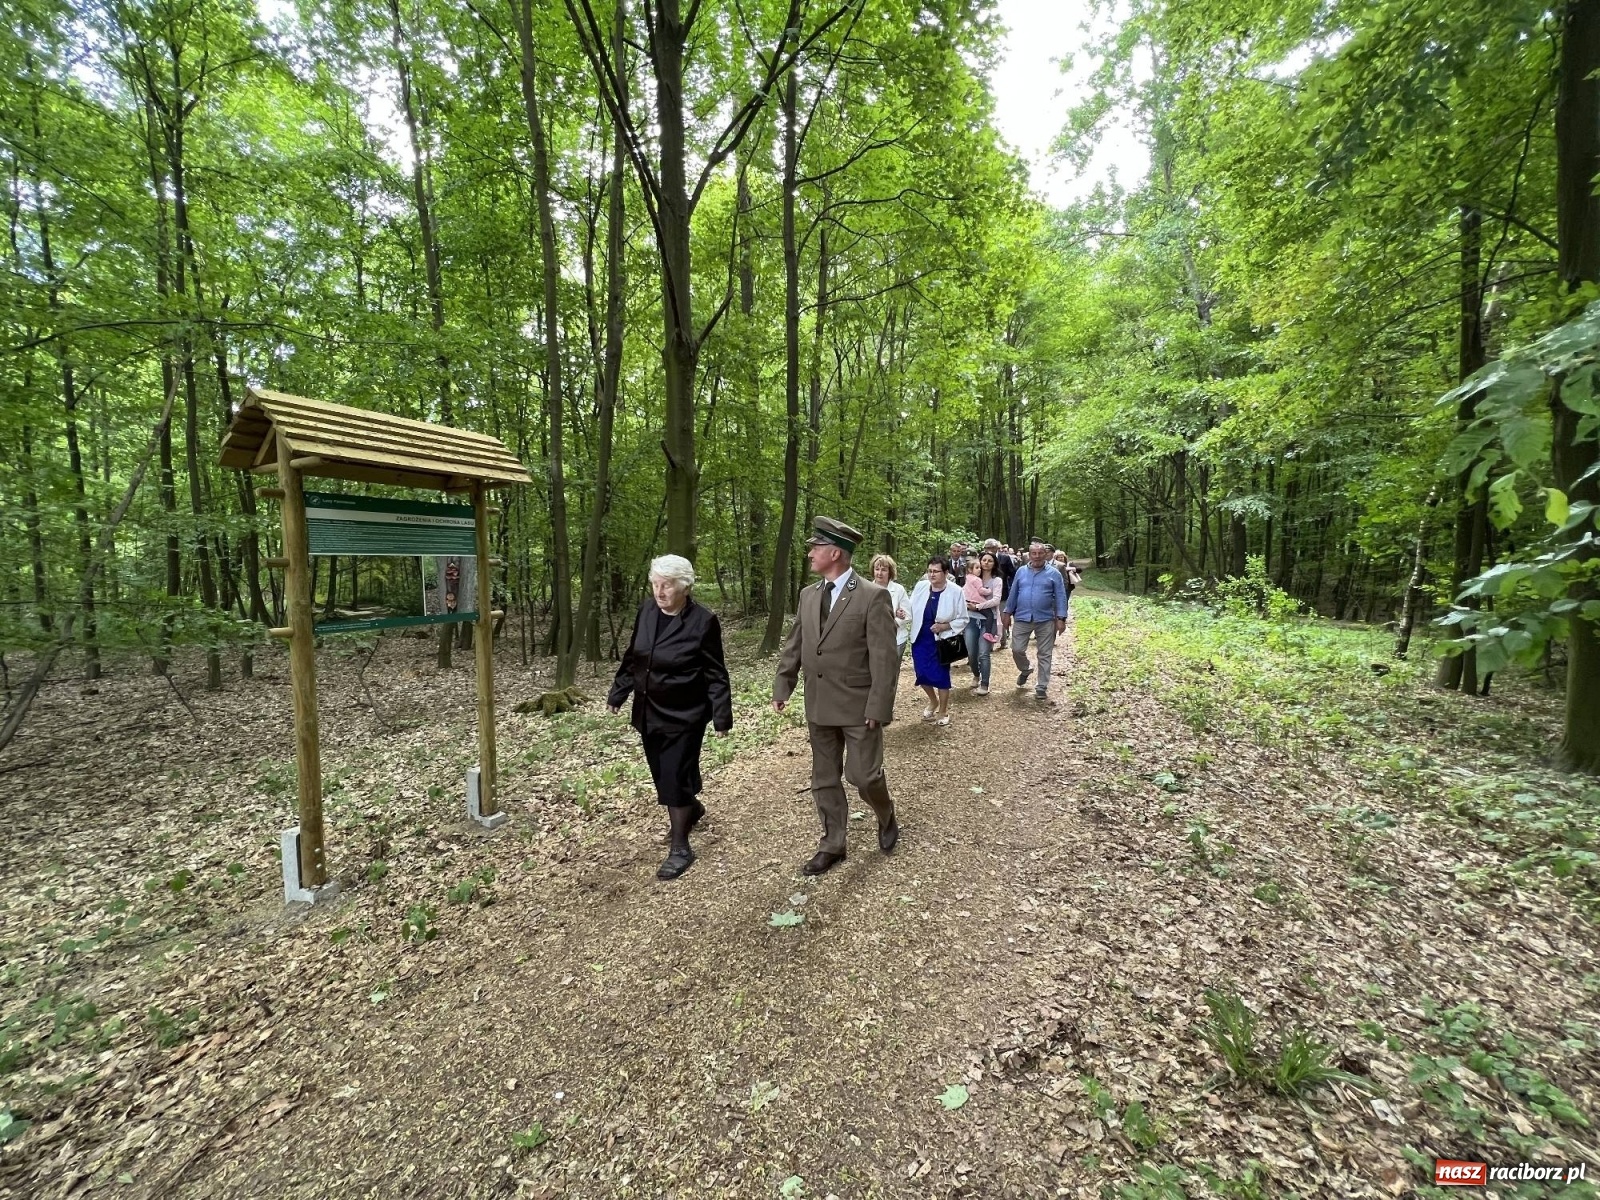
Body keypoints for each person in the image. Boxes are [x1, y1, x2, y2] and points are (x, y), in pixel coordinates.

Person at [774, 517, 901, 876]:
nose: (810, 553)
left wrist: (878, 705)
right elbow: (795, 643)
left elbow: (884, 658)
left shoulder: (872, 596)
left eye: (815, 547)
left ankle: (885, 812)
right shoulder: (808, 595)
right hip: (819, 704)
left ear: (834, 552)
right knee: (824, 778)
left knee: (863, 776)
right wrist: (784, 684)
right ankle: (833, 843)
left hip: (859, 707)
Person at [607, 554, 733, 880]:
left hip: (685, 714)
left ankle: (680, 846)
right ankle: (691, 807)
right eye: (654, 584)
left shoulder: (703, 621)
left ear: (684, 587)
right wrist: (618, 693)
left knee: (674, 775)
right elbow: (634, 656)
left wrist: (721, 716)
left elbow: (716, 673)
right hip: (649, 710)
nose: (658, 591)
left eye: (666, 586)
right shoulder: (647, 611)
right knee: (662, 773)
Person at [1004, 539, 1068, 703]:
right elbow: (1014, 593)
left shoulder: (1054, 573)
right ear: (1029, 555)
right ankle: (1025, 669)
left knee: (1045, 654)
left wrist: (1061, 618)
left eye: (1041, 553)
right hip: (1022, 617)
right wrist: (1007, 613)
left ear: (1046, 555)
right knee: (1017, 649)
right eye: (1034, 553)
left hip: (1046, 618)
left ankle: (1041, 687)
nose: (1037, 556)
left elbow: (1061, 597)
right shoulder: (1021, 572)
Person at [907, 556, 968, 725]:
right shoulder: (921, 587)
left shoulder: (956, 591)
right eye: (929, 571)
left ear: (946, 573)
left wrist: (945, 626)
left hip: (941, 641)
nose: (932, 575)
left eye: (936, 571)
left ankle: (943, 711)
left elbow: (963, 618)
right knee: (921, 674)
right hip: (920, 637)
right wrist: (901, 613)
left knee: (941, 676)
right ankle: (933, 701)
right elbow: (910, 608)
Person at [962, 550, 1003, 694]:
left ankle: (985, 684)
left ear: (994, 564)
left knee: (983, 653)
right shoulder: (971, 578)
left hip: (988, 619)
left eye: (989, 561)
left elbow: (996, 600)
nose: (986, 563)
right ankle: (976, 674)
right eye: (983, 560)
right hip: (971, 618)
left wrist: (978, 606)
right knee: (971, 652)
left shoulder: (996, 581)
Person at [871, 554, 913, 654]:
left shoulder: (899, 590)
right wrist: (894, 614)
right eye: (877, 569)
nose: (879, 573)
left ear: (890, 572)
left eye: (884, 570)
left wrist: (893, 624)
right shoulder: (867, 589)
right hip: (873, 640)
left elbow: (908, 615)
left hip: (896, 640)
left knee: (893, 669)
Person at [986, 538, 1018, 649]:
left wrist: (1013, 587)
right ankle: (988, 643)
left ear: (996, 548)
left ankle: (1003, 640)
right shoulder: (983, 559)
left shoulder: (1004, 558)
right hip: (986, 593)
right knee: (989, 617)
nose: (990, 550)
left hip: (1002, 593)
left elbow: (1013, 573)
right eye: (988, 548)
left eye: (992, 548)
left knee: (1001, 616)